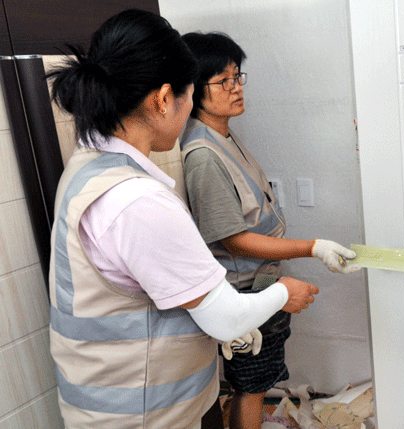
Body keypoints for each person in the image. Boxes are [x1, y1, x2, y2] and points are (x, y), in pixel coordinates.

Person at [47, 10, 318, 429]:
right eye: (189, 94)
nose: (189, 107)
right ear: (162, 98)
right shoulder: (138, 201)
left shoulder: (88, 165)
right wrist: (283, 292)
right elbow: (224, 315)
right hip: (145, 415)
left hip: (110, 401)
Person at [178, 32, 360, 429]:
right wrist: (312, 247)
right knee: (252, 386)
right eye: (223, 81)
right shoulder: (203, 155)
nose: (236, 88)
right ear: (192, 90)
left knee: (259, 381)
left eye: (237, 77)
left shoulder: (222, 136)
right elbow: (233, 239)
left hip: (260, 282)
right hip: (243, 290)